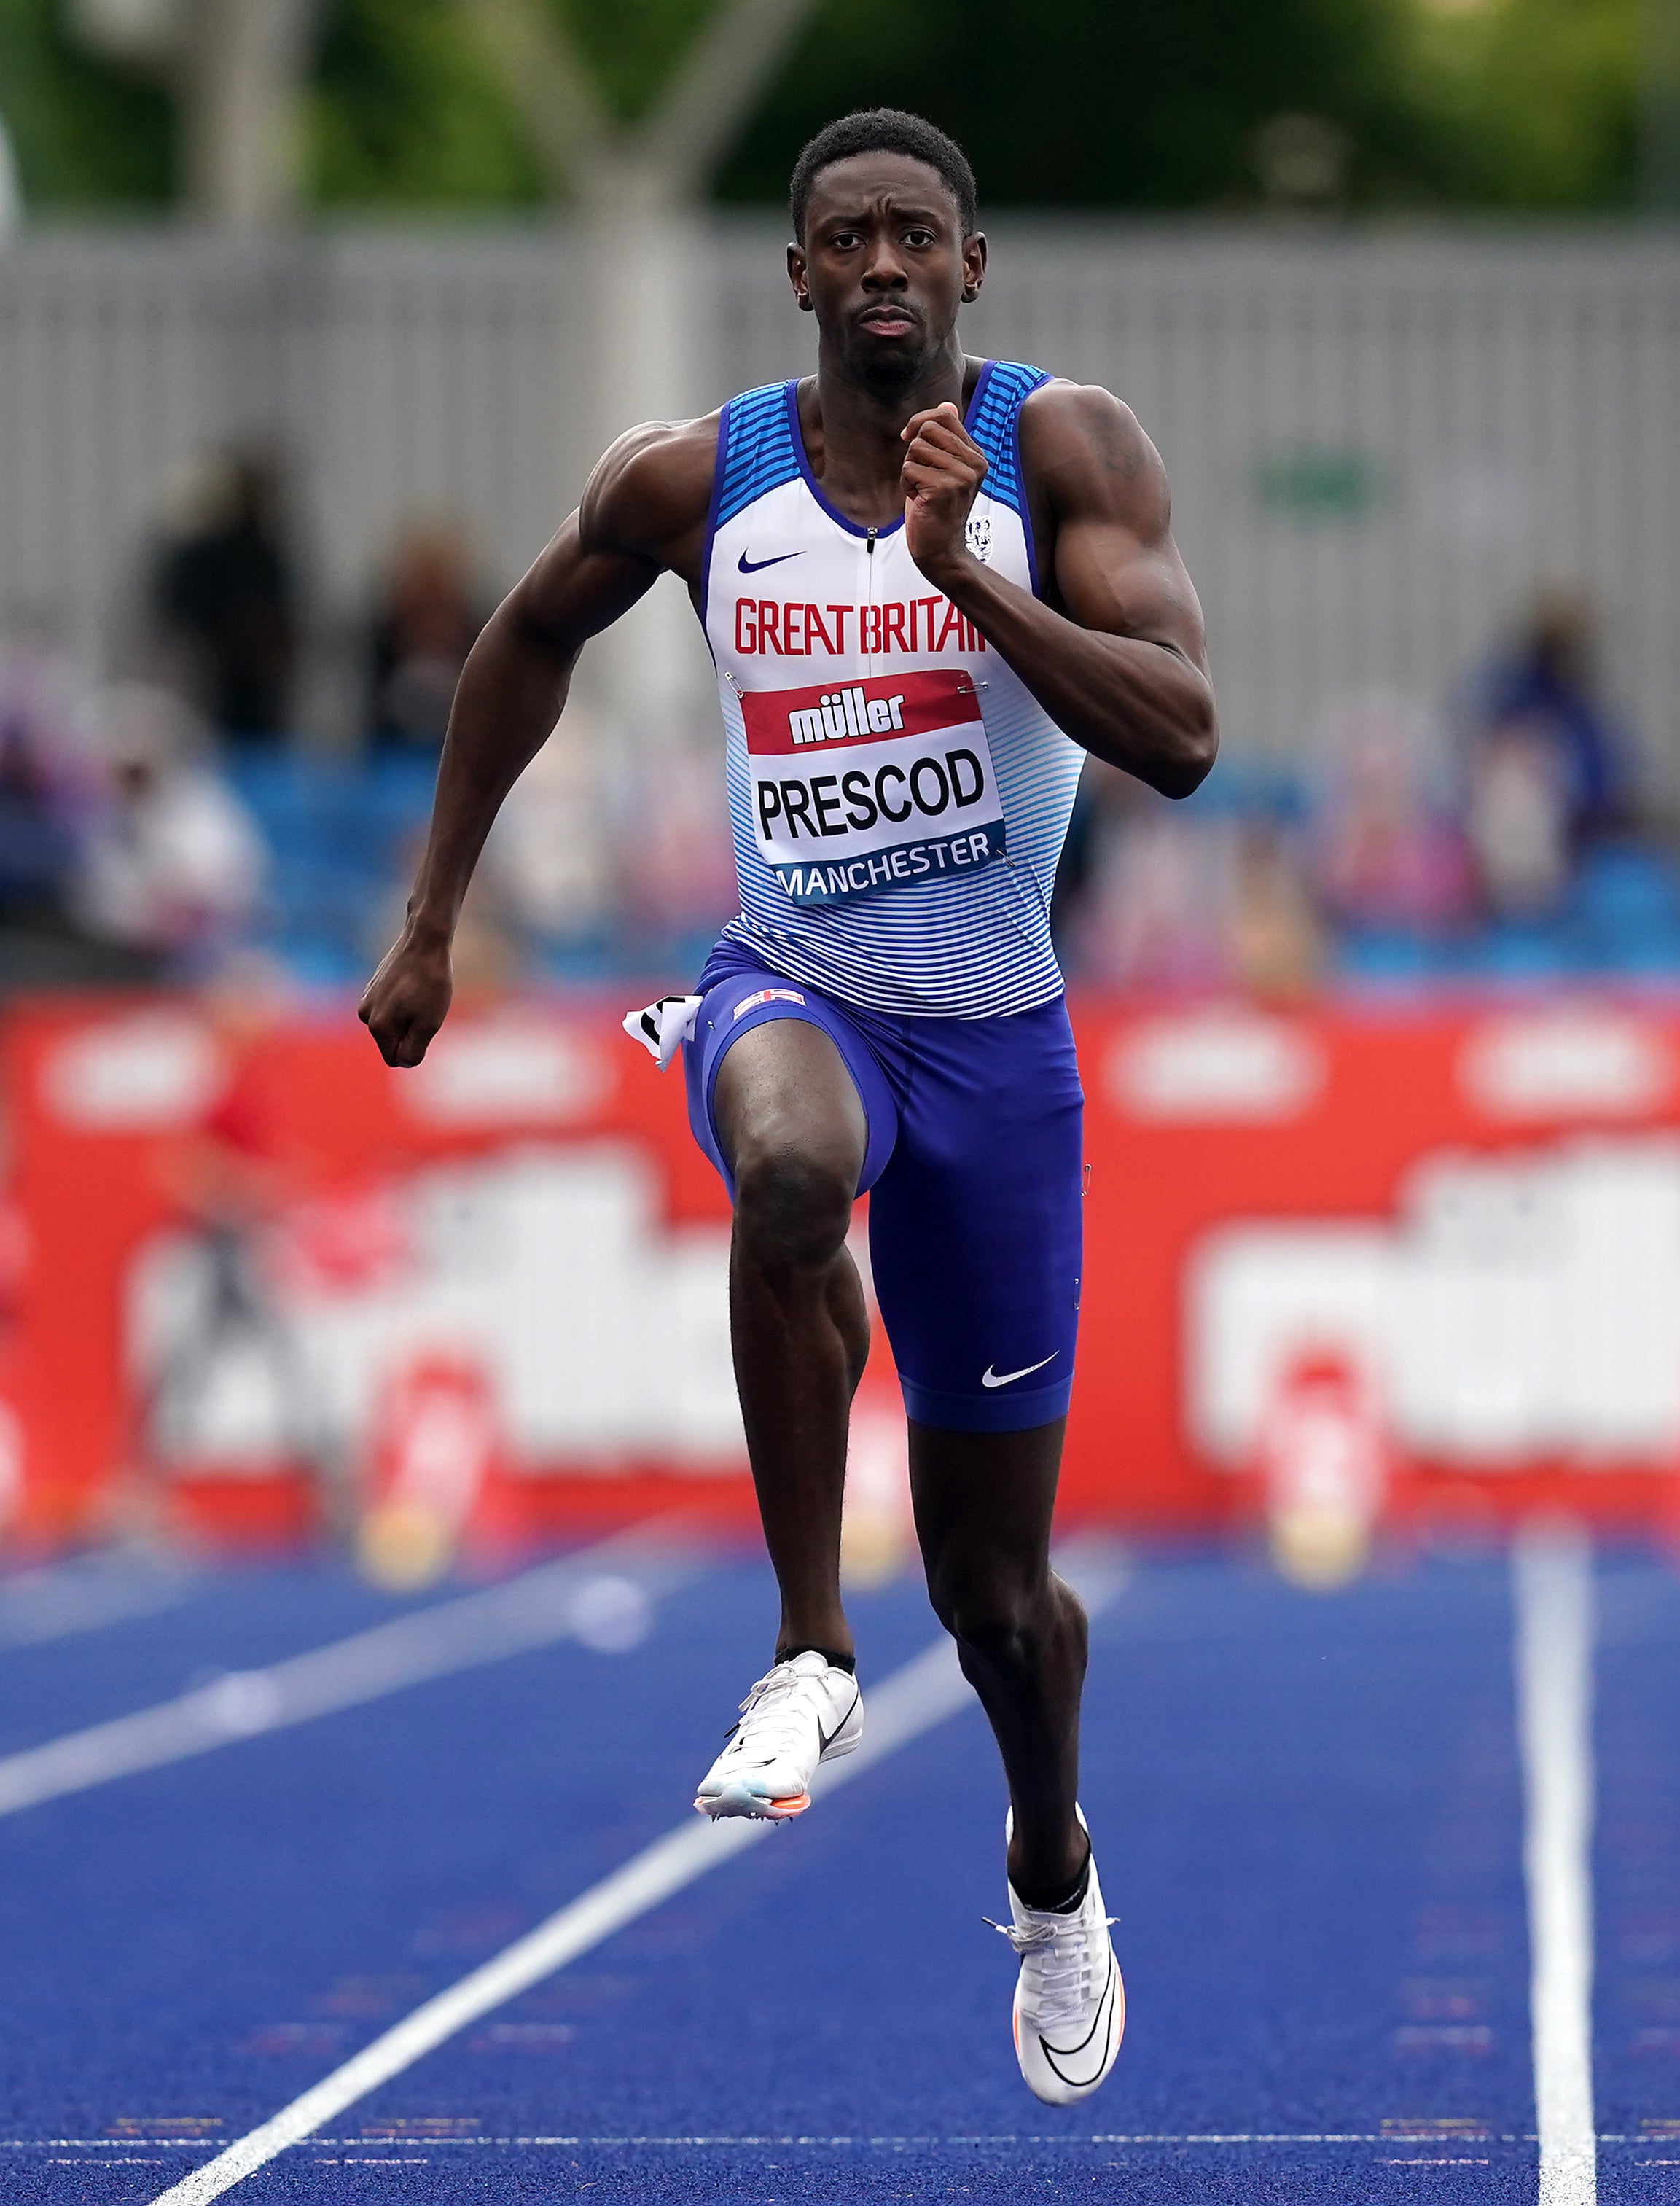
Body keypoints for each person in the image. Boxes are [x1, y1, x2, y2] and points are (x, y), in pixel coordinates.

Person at [359, 108, 1216, 2105]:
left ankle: (1048, 1860)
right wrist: (430, 927)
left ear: (973, 268)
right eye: (850, 238)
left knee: (1000, 1603)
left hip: (997, 1043)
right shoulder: (694, 479)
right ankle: (809, 1648)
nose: (887, 265)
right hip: (792, 983)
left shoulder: (1059, 452)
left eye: (921, 232)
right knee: (785, 1164)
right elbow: (520, 641)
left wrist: (962, 584)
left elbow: (1180, 732)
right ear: (800, 274)